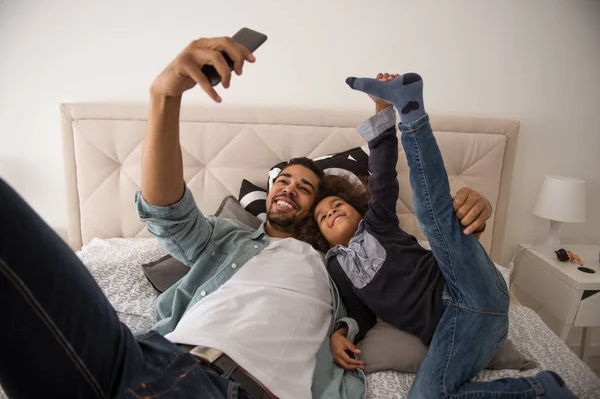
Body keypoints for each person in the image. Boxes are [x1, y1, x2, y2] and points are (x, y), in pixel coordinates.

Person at [0, 37, 492, 399]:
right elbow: (168, 213)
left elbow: (403, 265)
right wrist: (164, 97)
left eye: (307, 189)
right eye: (284, 181)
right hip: (153, 357)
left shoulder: (342, 265)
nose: (290, 190)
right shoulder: (227, 239)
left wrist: (465, 210)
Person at [308, 72, 576, 398]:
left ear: (355, 207)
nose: (331, 212)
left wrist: (381, 109)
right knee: (424, 396)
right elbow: (359, 312)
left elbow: (382, 174)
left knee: (432, 216)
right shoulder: (336, 267)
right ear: (321, 235)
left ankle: (410, 111)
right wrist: (340, 332)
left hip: (464, 282)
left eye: (337, 205)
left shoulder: (378, 223)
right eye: (323, 217)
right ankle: (539, 388)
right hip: (459, 330)